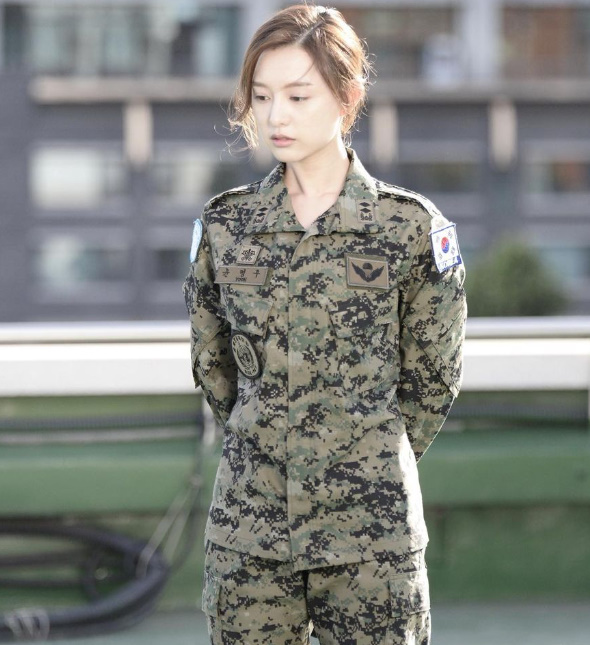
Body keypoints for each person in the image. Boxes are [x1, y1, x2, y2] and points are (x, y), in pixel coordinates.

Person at [183, 4, 467, 644]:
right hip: (251, 534)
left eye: (297, 95)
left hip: (372, 537)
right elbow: (215, 368)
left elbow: (432, 380)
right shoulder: (227, 226)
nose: (275, 116)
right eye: (261, 97)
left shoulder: (410, 228)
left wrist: (359, 457)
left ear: (347, 97)